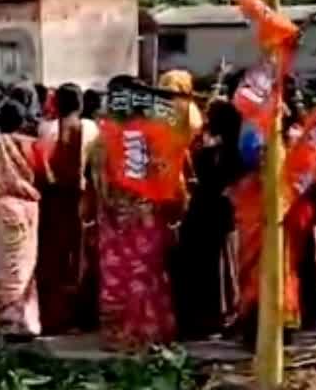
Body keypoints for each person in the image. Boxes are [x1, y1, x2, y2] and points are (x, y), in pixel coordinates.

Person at [90, 78, 182, 350]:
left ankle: (119, 335)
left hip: (113, 217)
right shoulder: (153, 135)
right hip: (145, 216)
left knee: (117, 273)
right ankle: (148, 331)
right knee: (146, 271)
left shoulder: (103, 139)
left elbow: (97, 179)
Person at [174, 98, 244, 339]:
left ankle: (205, 319)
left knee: (206, 266)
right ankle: (222, 316)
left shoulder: (209, 149)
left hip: (205, 210)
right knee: (221, 265)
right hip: (220, 210)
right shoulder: (234, 148)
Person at [36, 84, 98, 334]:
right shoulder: (91, 128)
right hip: (82, 199)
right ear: (81, 104)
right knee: (81, 257)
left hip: (54, 201)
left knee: (57, 258)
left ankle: (56, 316)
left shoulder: (46, 129)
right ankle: (82, 315)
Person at [0, 100, 41, 336]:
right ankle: (24, 321)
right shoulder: (31, 145)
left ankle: (3, 320)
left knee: (0, 265)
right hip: (27, 208)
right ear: (22, 121)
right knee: (24, 265)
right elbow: (42, 173)